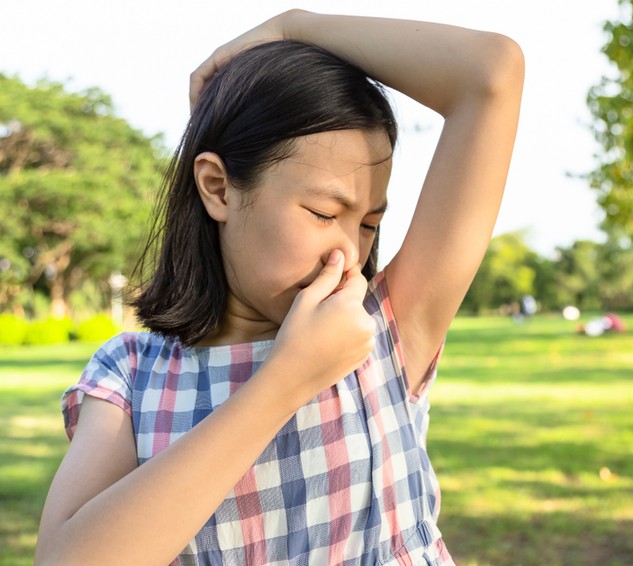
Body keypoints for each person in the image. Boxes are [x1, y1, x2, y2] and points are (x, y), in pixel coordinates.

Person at [35, 9, 523, 566]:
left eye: (368, 224)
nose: (347, 253)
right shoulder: (131, 376)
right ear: (217, 188)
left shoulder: (385, 329)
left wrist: (293, 26)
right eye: (322, 212)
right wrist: (286, 380)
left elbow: (492, 73)